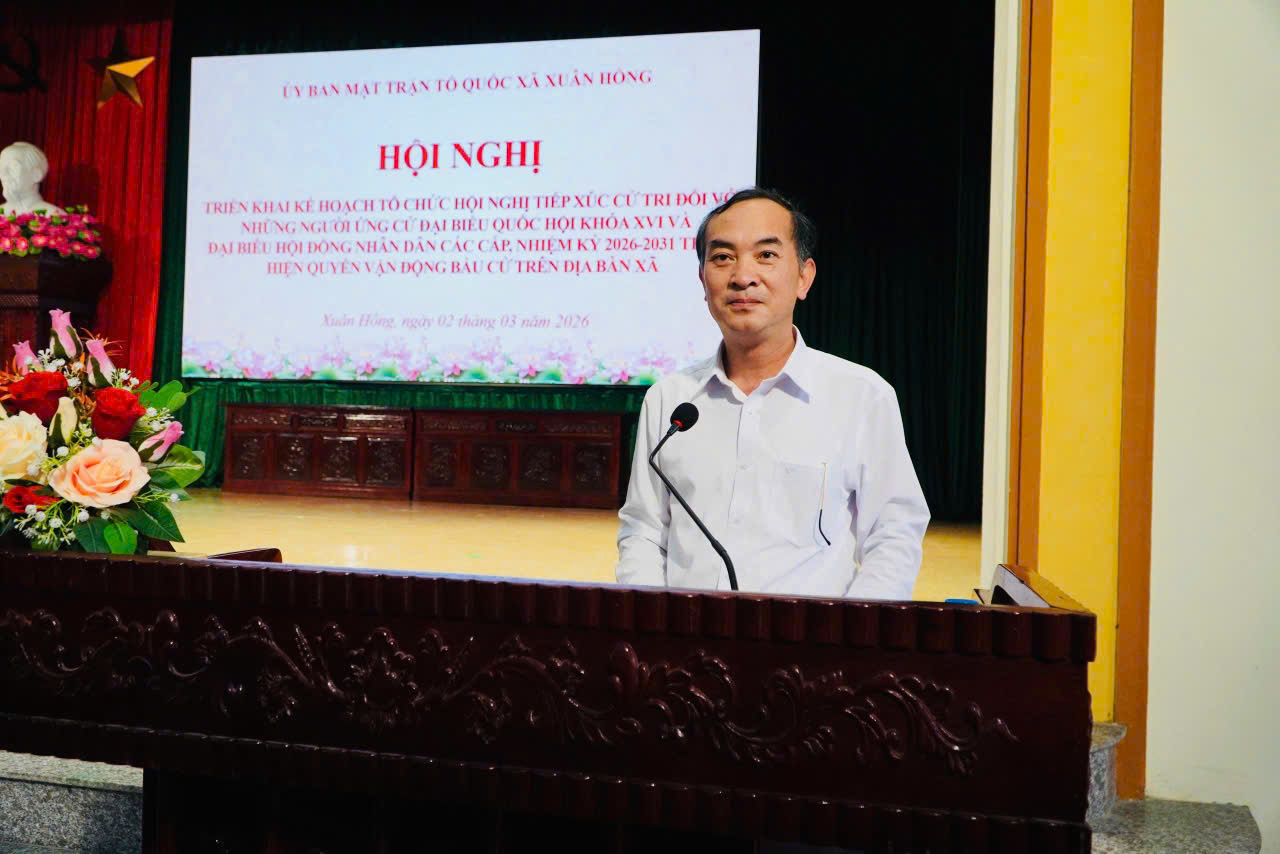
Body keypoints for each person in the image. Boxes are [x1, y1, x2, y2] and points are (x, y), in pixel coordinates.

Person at [616, 188, 929, 600]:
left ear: (804, 277)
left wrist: (853, 630)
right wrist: (653, 623)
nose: (742, 276)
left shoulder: (862, 396)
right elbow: (643, 530)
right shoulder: (670, 399)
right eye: (722, 257)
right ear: (703, 280)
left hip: (813, 638)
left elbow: (893, 534)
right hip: (687, 636)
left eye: (766, 255)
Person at [0, 141, 66, 218]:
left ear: (36, 175)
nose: (3, 172)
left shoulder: (54, 216)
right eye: (1, 166)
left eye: (13, 166)